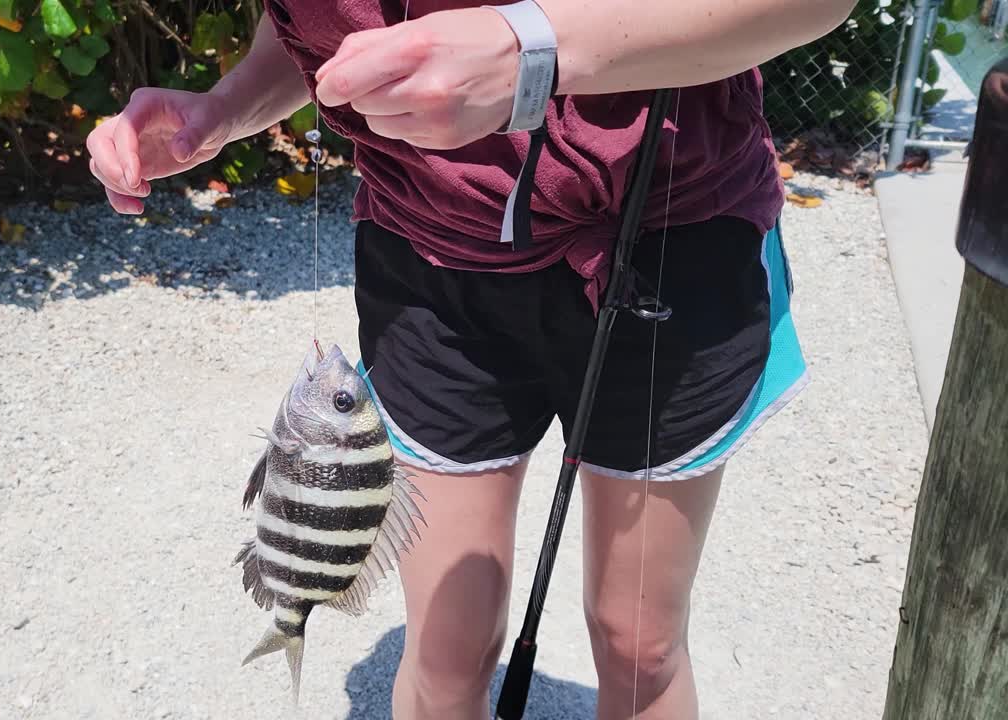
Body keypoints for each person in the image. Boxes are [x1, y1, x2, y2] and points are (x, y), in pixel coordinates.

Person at [86, 2, 851, 718]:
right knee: (447, 653)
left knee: (640, 642)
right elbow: (316, 29)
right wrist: (226, 106)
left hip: (671, 242)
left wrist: (536, 46)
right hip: (431, 264)